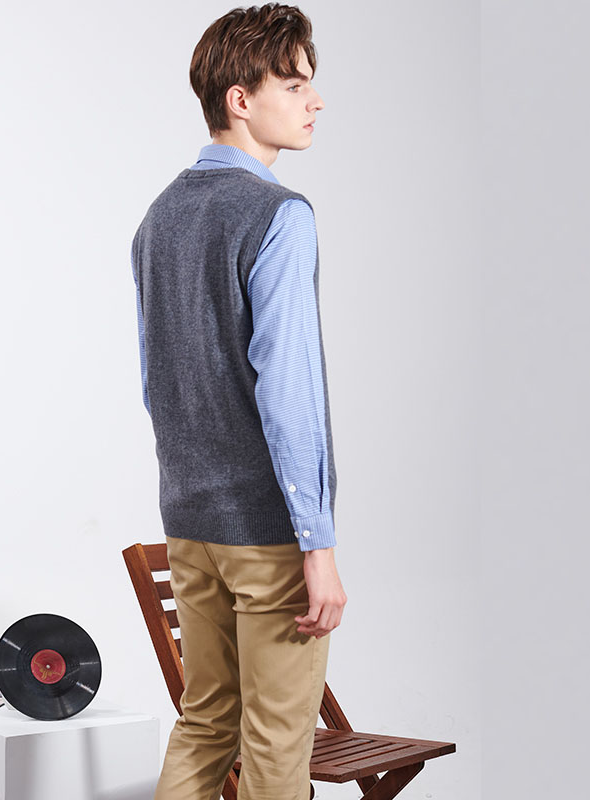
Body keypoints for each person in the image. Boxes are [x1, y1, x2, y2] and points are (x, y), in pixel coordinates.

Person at [130, 4, 347, 798]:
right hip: (264, 529)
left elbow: (155, 384)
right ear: (240, 99)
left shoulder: (158, 219)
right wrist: (316, 544)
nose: (314, 100)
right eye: (293, 85)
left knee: (205, 722)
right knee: (277, 744)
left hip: (189, 522)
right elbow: (290, 393)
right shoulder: (279, 216)